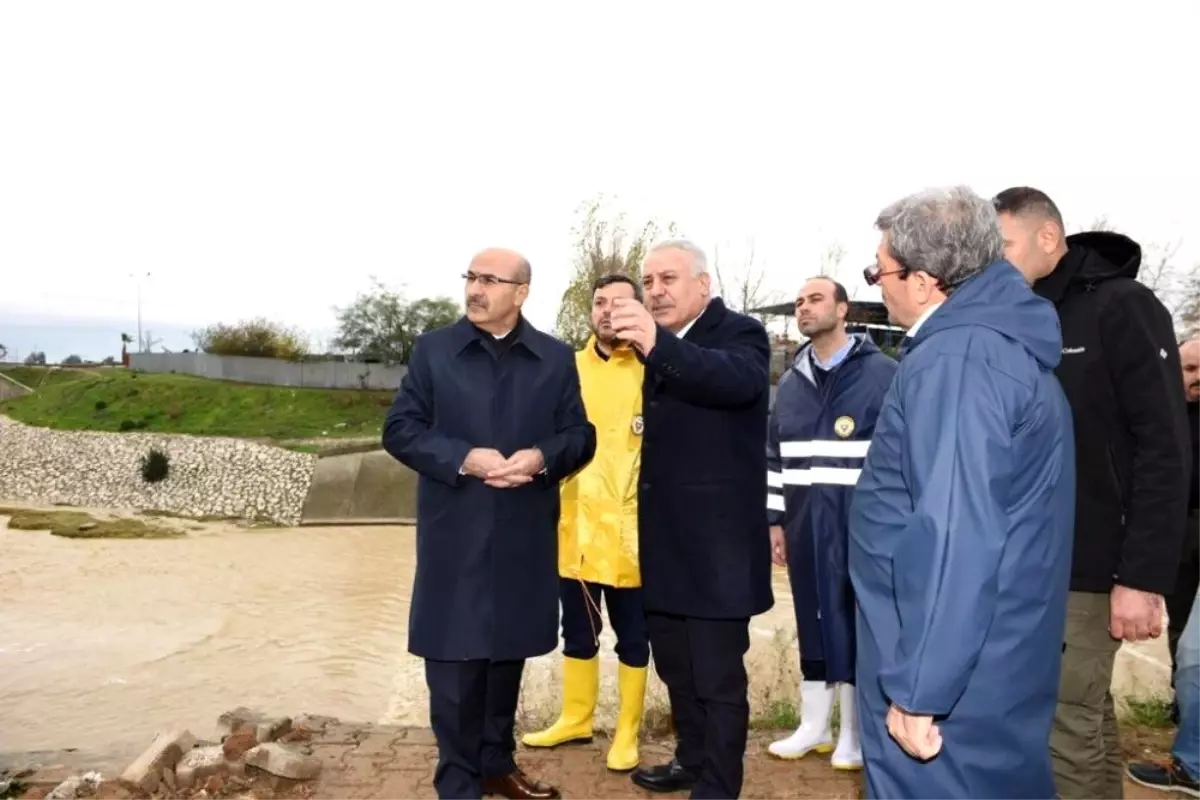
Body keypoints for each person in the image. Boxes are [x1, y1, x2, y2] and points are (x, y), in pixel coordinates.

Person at [849, 186, 1075, 799]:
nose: (878, 284)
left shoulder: (960, 359)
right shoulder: (993, 345)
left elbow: (954, 534)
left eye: (880, 270)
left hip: (951, 679)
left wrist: (921, 687)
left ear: (923, 281)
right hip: (990, 658)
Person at [994, 187, 1191, 799]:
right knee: (1084, 710)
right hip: (1040, 555)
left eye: (1002, 245)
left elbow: (1165, 443)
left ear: (1047, 238)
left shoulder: (1122, 306)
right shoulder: (1025, 315)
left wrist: (1142, 575)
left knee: (1062, 719)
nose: (992, 260)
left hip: (1094, 560)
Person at [382, 247, 596, 800]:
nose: (475, 289)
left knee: (507, 657)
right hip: (456, 534)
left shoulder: (553, 358)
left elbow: (580, 435)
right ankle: (458, 784)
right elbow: (401, 430)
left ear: (521, 293)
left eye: (490, 280)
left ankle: (497, 765)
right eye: (471, 277)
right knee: (453, 669)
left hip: (524, 532)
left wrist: (542, 458)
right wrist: (464, 458)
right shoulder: (434, 351)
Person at [607, 239, 773, 799]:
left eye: (668, 279)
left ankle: (719, 787)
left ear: (703, 284)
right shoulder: (651, 348)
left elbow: (734, 382)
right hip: (666, 546)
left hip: (719, 552)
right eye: (648, 281)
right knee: (677, 671)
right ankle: (693, 760)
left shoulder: (741, 334)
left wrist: (657, 343)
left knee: (719, 681)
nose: (655, 291)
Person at [765, 276, 896, 770]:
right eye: (798, 300)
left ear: (843, 309)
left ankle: (854, 736)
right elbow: (774, 456)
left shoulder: (882, 375)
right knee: (812, 619)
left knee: (855, 625)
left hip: (860, 527)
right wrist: (775, 521)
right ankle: (814, 726)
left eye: (815, 298)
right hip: (803, 526)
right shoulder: (792, 382)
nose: (803, 306)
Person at [521, 273, 650, 772]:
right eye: (600, 302)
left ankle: (628, 732)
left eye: (620, 302)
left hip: (634, 532)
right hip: (572, 524)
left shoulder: (655, 369)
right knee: (577, 631)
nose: (608, 310)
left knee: (634, 636)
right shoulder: (565, 368)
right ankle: (575, 718)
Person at [1125, 339, 1200, 793]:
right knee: (1182, 643)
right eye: (1188, 367)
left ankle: (1191, 761)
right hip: (1179, 534)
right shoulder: (1164, 412)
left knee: (1195, 653)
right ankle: (1188, 737)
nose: (1194, 378)